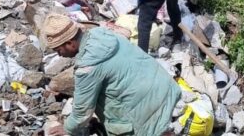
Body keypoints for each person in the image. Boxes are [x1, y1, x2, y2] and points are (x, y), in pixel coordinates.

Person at [43, 13, 182, 136]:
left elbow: (82, 112)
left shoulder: (88, 66)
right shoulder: (102, 33)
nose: (58, 54)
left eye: (58, 49)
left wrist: (67, 128)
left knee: (143, 128)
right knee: (158, 128)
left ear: (70, 43)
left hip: (144, 106)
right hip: (162, 86)